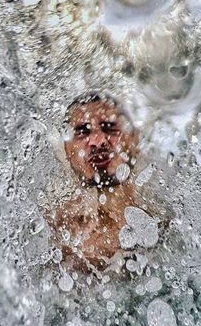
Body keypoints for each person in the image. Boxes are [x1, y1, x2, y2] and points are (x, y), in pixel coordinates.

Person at [48, 92, 161, 272]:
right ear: (67, 151)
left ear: (135, 141)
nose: (97, 141)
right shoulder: (53, 233)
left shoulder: (163, 226)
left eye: (109, 127)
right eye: (82, 131)